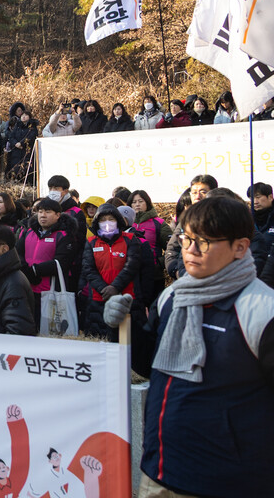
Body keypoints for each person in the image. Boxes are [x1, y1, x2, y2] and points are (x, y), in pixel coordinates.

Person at [103, 197, 274, 497]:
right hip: (159, 472)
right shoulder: (173, 296)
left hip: (228, 483)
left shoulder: (261, 310)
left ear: (240, 247)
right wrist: (122, 325)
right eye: (186, 239)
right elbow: (149, 364)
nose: (190, 250)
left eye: (204, 242)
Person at [80, 204, 144, 340]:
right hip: (99, 299)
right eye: (103, 220)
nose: (107, 223)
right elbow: (88, 269)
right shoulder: (91, 242)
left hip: (126, 298)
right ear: (97, 222)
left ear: (118, 221)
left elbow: (132, 266)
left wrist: (115, 287)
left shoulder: (130, 239)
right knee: (101, 339)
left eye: (111, 219)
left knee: (129, 340)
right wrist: (104, 289)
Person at [15, 198, 74, 328]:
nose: (43, 215)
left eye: (48, 212)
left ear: (58, 215)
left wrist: (35, 270)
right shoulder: (28, 231)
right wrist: (26, 270)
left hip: (50, 290)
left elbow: (61, 262)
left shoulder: (64, 235)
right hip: (26, 287)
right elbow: (17, 253)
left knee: (47, 328)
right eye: (40, 211)